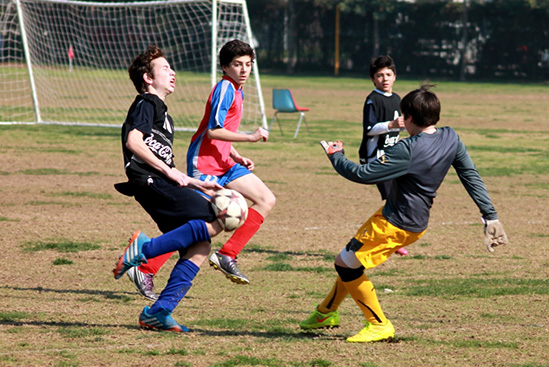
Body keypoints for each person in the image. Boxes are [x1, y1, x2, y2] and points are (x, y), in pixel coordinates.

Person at [299, 84, 509, 343]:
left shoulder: (407, 149)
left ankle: (379, 324)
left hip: (394, 223)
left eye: (403, 117)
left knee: (345, 264)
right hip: (412, 222)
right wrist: (490, 215)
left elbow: (362, 174)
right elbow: (470, 174)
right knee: (352, 260)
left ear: (408, 118)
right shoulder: (451, 137)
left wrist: (336, 155)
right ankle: (325, 313)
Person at [114, 44, 223, 306]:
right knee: (216, 217)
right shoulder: (146, 102)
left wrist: (199, 184)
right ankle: (143, 251)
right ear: (148, 78)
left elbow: (168, 165)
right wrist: (166, 172)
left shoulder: (166, 117)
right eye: (165, 68)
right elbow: (134, 141)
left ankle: (160, 311)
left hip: (158, 182)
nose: (172, 72)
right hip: (149, 182)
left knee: (200, 246)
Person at [185, 39, 275, 285]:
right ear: (225, 67)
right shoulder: (225, 88)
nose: (244, 69)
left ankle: (227, 255)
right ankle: (145, 261)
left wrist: (235, 154)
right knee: (201, 228)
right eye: (237, 64)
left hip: (224, 162)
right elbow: (213, 131)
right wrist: (250, 137)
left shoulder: (238, 88)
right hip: (204, 164)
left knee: (266, 199)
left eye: (248, 64)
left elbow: (223, 131)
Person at [359, 55, 408, 256]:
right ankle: (387, 240)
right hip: (377, 158)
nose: (384, 79)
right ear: (373, 79)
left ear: (395, 76)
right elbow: (370, 129)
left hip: (393, 157)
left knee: (398, 197)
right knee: (392, 199)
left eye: (388, 74)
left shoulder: (397, 99)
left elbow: (399, 128)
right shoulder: (373, 100)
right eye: (379, 75)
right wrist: (391, 125)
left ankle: (381, 238)